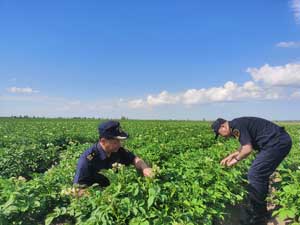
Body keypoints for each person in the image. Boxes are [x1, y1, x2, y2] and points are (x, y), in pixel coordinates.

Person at [211, 117, 292, 225]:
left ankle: (258, 216)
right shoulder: (237, 124)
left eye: (219, 133)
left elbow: (247, 149)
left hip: (276, 143)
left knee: (255, 174)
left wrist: (235, 160)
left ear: (223, 126)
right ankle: (261, 212)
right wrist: (231, 156)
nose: (221, 136)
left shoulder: (236, 127)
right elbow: (245, 146)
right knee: (260, 175)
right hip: (277, 142)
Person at [73, 120, 153, 192]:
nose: (119, 144)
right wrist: (101, 195)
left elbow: (134, 159)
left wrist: (145, 168)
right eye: (115, 142)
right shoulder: (88, 159)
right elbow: (77, 190)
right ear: (103, 141)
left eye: (120, 141)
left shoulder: (117, 150)